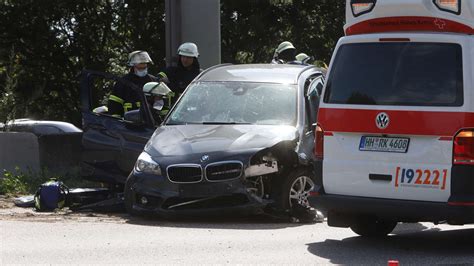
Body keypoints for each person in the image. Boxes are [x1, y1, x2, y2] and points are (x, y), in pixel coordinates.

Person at [107, 50, 158, 117]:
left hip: (150, 123)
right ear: (133, 66)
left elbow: (160, 103)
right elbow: (114, 105)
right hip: (128, 124)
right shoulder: (123, 82)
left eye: (144, 68)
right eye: (140, 68)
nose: (143, 70)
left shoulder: (153, 81)